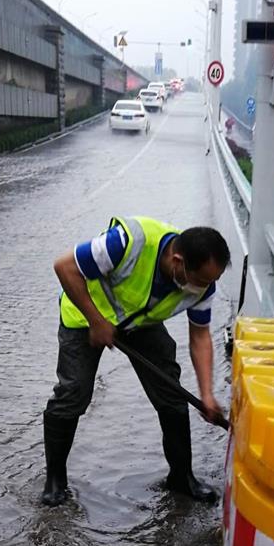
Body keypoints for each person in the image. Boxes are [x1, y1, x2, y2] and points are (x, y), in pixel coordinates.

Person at [41, 216, 230, 507]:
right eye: (201, 281)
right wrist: (96, 320)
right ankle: (55, 480)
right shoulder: (128, 242)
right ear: (177, 261)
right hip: (85, 315)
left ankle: (181, 477)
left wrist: (206, 395)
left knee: (171, 394)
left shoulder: (204, 285)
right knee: (73, 394)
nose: (204, 288)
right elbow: (64, 267)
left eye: (210, 281)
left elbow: (200, 337)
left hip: (139, 323)